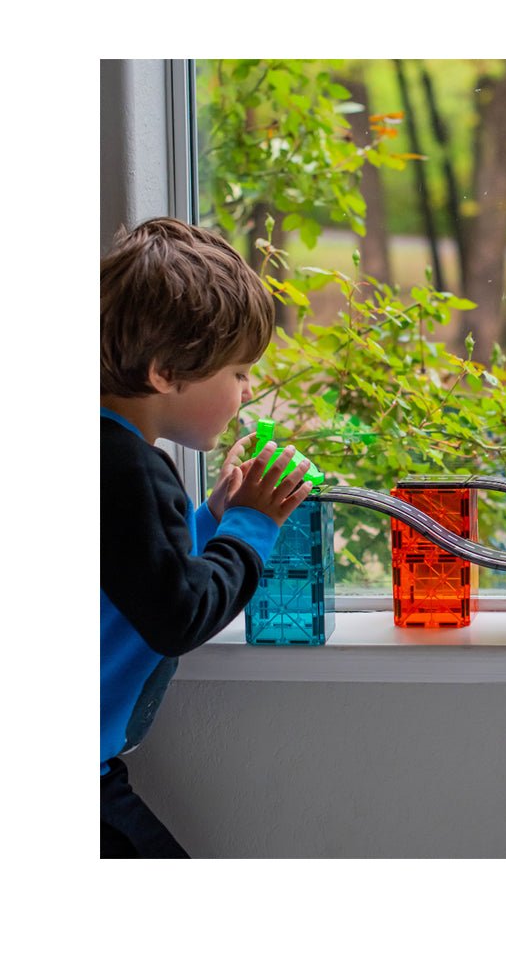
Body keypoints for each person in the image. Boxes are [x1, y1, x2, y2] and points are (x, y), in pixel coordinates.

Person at [100, 217, 312, 858]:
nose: (248, 391)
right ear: (167, 371)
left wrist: (214, 517)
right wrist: (254, 523)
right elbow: (178, 613)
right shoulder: (132, 469)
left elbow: (134, 573)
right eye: (238, 373)